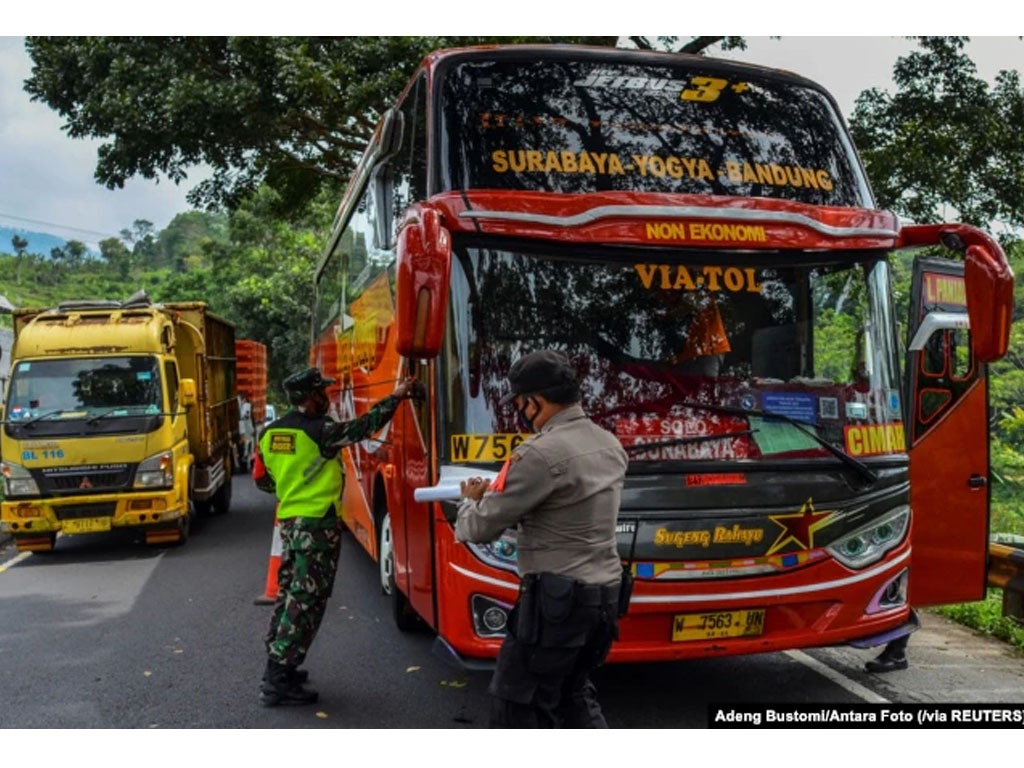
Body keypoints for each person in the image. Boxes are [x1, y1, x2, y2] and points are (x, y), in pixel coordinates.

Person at [456, 349, 629, 728]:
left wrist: (470, 502)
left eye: (520, 403)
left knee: (517, 706)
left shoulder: (537, 453)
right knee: (573, 697)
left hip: (557, 607)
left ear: (534, 402)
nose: (520, 412)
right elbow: (568, 510)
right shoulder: (609, 443)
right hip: (604, 601)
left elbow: (480, 527)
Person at [253, 366, 421, 706]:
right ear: (310, 398)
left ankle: (280, 665)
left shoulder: (270, 433)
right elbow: (365, 428)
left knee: (290, 595)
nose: (327, 397)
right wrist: (397, 396)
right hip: (316, 528)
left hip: (290, 523)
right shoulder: (322, 432)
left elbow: (262, 480)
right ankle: (277, 677)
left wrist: (292, 489)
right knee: (307, 602)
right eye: (322, 393)